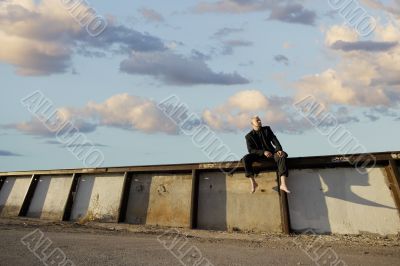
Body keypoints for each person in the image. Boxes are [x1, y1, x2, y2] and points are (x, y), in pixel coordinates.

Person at [242, 116, 290, 194]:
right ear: (252, 124)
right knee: (245, 158)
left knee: (281, 155)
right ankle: (253, 183)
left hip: (272, 154)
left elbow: (275, 140)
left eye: (260, 120)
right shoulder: (248, 136)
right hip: (258, 156)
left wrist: (279, 150)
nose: (260, 121)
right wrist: (263, 152)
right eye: (257, 120)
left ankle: (283, 184)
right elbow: (251, 150)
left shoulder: (267, 129)